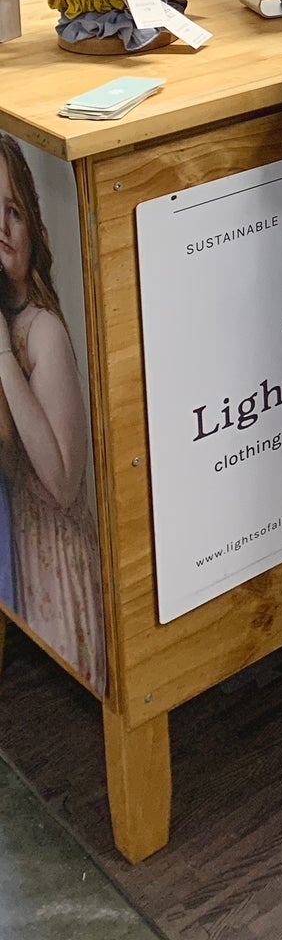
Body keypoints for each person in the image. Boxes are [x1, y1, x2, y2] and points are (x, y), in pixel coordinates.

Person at [0, 136, 107, 693]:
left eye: (12, 211)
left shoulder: (42, 330)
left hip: (58, 563)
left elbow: (65, 484)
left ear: (32, 226)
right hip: (19, 551)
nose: (0, 229)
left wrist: (2, 356)